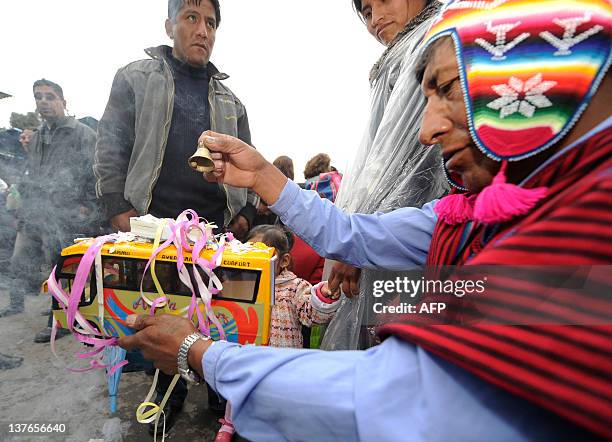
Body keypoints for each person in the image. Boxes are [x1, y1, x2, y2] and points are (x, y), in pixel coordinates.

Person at [119, 0, 612, 440]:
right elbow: (351, 234)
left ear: (526, 85)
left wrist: (199, 353)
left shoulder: (588, 239)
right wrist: (264, 176)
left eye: (447, 90)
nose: (424, 130)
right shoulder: (474, 213)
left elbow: (395, 396)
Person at [93, 0, 259, 432]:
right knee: (162, 318)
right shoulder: (135, 78)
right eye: (191, 18)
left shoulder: (230, 100)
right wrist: (119, 211)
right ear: (170, 25)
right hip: (154, 234)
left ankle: (221, 399)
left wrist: (242, 219)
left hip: (215, 237)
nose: (203, 30)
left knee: (220, 320)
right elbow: (110, 147)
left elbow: (249, 163)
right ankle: (167, 397)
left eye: (211, 22)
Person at [321, 0, 448, 351]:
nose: (376, 18)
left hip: (406, 234)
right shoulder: (402, 53)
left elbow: (400, 168)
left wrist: (357, 245)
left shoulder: (426, 41)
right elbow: (377, 161)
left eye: (385, 1)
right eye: (366, 12)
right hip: (400, 234)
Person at [216, 224, 341, 441]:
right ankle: (229, 423)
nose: (255, 260)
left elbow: (310, 315)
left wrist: (324, 294)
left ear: (283, 261)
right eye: (250, 253)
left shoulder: (295, 287)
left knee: (279, 396)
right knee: (239, 390)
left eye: (263, 255)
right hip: (247, 352)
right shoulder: (239, 282)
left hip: (282, 358)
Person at [2, 80, 99, 342]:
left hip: (68, 214)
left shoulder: (83, 134)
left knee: (64, 266)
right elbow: (33, 174)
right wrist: (25, 213)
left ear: (63, 102)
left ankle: (61, 320)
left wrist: (87, 206)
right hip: (38, 212)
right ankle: (23, 302)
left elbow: (97, 172)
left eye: (50, 96)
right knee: (22, 260)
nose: (43, 101)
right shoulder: (39, 136)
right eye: (38, 97)